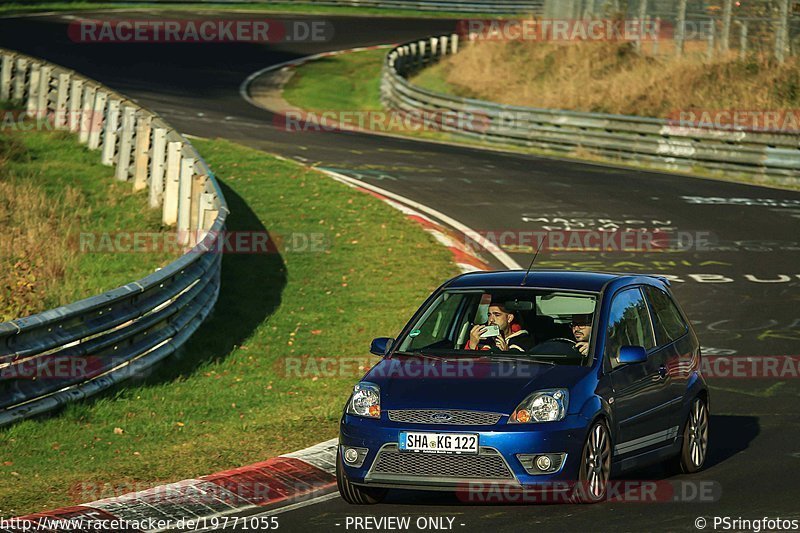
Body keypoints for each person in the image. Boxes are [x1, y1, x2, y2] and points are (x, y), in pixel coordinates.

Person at [466, 302, 534, 352]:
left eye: (497, 315)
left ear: (509, 318)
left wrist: (505, 354)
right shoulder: (481, 340)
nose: (491, 319)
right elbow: (465, 366)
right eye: (489, 315)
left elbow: (522, 367)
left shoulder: (523, 341)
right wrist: (472, 345)